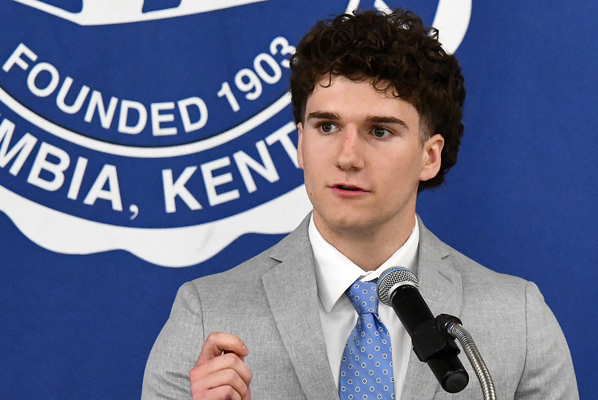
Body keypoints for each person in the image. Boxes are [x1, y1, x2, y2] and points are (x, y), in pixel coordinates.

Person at [142, 9, 578, 400]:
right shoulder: (208, 314)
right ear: (300, 143)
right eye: (327, 126)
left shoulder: (518, 318)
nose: (347, 157)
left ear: (430, 156)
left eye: (380, 131)